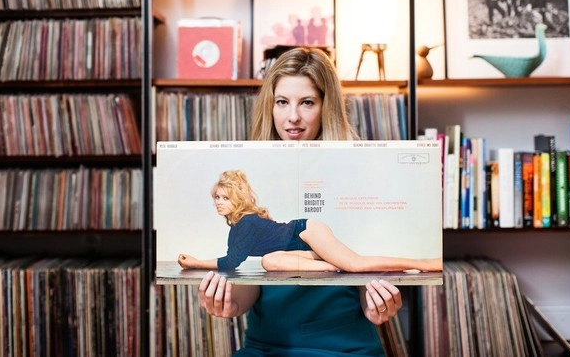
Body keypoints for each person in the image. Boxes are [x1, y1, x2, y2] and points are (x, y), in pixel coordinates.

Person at [190, 47, 421, 356]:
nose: (293, 117)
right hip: (268, 347)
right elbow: (249, 283)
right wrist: (226, 303)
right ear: (270, 106)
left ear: (326, 106)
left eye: (307, 102)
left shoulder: (360, 176)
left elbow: (364, 280)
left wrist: (377, 305)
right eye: (282, 102)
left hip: (346, 347)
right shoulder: (249, 180)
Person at [178, 169, 442, 272]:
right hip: (300, 248)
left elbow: (231, 263)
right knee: (269, 261)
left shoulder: (245, 223)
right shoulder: (238, 227)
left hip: (305, 232)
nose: (218, 202)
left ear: (237, 199)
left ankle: (422, 264)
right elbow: (232, 259)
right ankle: (332, 265)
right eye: (216, 197)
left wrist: (196, 263)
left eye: (225, 197)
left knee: (356, 264)